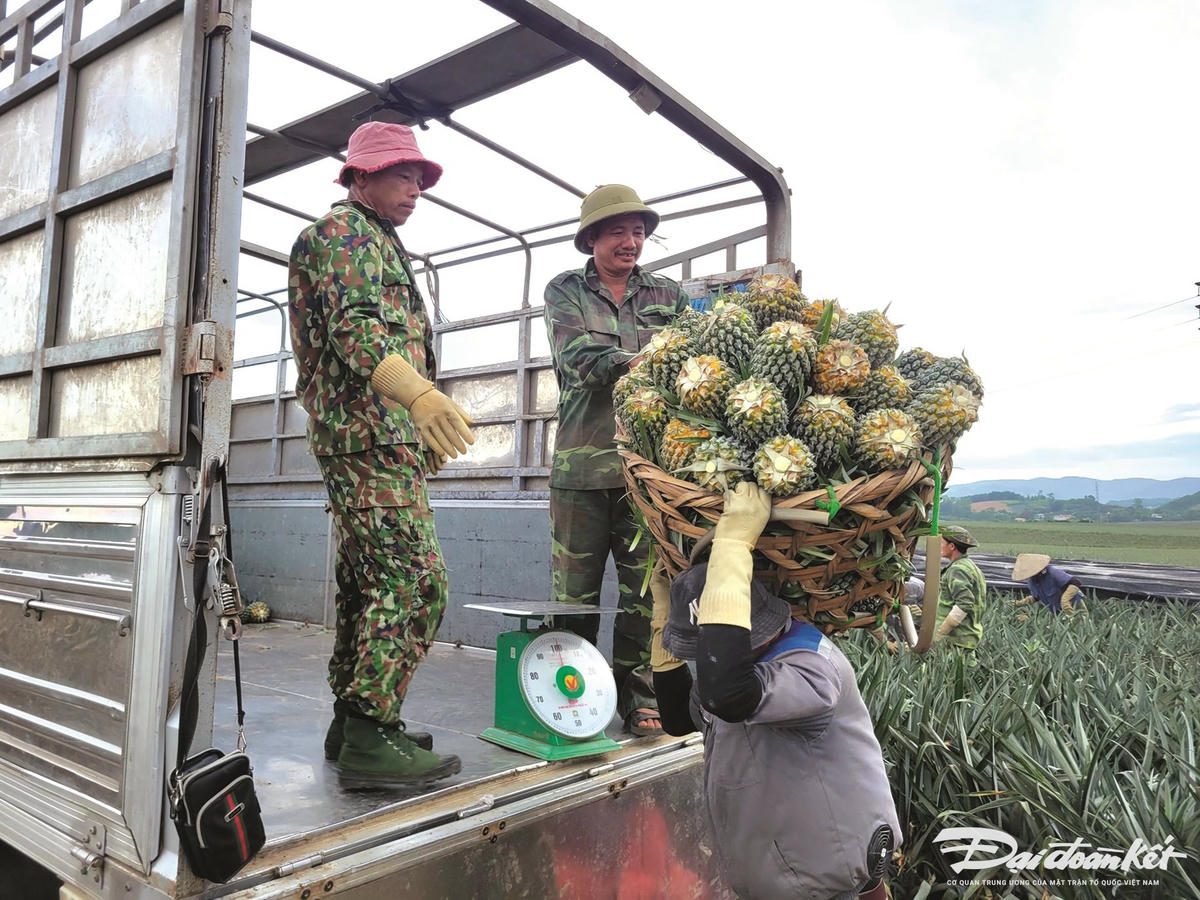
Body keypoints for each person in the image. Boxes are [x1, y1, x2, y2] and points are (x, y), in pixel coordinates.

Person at [288, 121, 474, 789]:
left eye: (419, 179)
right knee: (416, 580)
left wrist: (416, 428)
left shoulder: (378, 240)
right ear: (360, 176)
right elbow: (357, 328)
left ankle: (356, 723)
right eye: (402, 175)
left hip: (379, 439)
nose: (415, 189)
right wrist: (417, 395)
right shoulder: (342, 234)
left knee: (369, 584)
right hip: (365, 438)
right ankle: (371, 729)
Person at [648, 482, 900, 899]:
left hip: (823, 879)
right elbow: (678, 718)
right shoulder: (735, 673)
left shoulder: (810, 665)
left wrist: (732, 547)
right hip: (782, 875)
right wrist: (663, 621)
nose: (707, 656)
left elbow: (729, 697)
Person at [543, 185, 691, 735]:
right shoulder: (565, 290)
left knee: (643, 595)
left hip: (646, 474)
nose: (630, 242)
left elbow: (693, 360)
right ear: (592, 239)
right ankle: (569, 699)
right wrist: (649, 360)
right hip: (581, 472)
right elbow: (578, 358)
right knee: (573, 597)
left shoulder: (668, 294)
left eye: (638, 232)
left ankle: (639, 694)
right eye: (617, 232)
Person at [932, 525, 986, 656]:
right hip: (964, 637)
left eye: (942, 543)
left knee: (955, 669)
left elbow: (964, 604)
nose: (940, 546)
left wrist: (940, 633)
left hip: (954, 640)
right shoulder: (970, 566)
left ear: (952, 546)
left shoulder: (958, 569)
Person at [1011, 553, 1087, 615]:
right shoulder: (1031, 581)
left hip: (1073, 603)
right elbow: (1036, 597)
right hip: (1055, 610)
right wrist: (1019, 603)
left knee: (1080, 622)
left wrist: (1065, 600)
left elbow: (1075, 582)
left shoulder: (1052, 572)